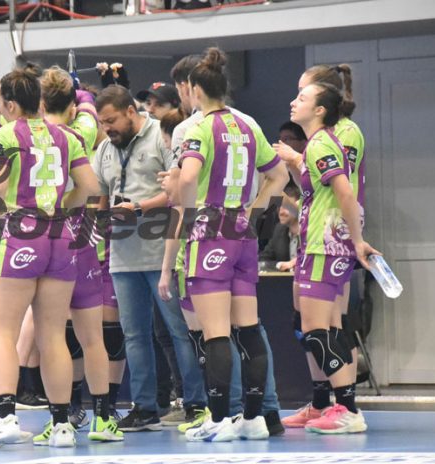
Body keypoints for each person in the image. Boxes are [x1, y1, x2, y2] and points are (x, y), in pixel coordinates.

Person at [0, 67, 99, 449]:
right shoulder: (66, 136)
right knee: (53, 335)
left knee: (2, 332)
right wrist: (61, 206)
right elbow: (90, 187)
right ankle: (61, 425)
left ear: (11, 104)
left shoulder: (2, 136)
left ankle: (5, 416)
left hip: (18, 234)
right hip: (60, 234)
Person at [160, 52, 286, 437]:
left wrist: (187, 209)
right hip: (242, 232)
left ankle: (218, 421)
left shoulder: (198, 128)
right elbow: (280, 176)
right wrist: (253, 209)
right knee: (248, 329)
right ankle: (254, 419)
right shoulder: (248, 126)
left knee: (214, 333)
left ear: (195, 90)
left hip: (210, 231)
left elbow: (188, 177)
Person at [92, 84, 207, 432]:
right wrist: (101, 218)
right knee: (134, 335)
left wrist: (140, 207)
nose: (107, 128)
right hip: (123, 256)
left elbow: (178, 189)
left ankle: (196, 403)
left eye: (112, 120)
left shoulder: (162, 136)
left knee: (179, 331)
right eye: (102, 123)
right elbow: (101, 195)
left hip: (162, 253)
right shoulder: (105, 149)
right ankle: (144, 407)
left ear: (131, 111)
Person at [274, 64, 367, 430]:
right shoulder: (318, 141)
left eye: (302, 95)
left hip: (327, 244)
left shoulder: (328, 140)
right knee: (316, 328)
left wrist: (357, 241)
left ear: (321, 107)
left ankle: (347, 408)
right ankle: (331, 405)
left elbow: (343, 190)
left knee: (321, 330)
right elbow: (314, 190)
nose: (293, 101)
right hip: (319, 242)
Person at [40, 65, 124, 441]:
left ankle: (61, 420)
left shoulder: (31, 135)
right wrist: (80, 91)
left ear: (41, 104)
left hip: (50, 240)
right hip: (86, 239)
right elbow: (88, 107)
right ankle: (103, 419)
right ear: (72, 106)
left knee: (53, 336)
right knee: (93, 337)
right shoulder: (83, 130)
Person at [258, 201, 300, 270]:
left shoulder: (313, 231)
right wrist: (279, 265)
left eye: (286, 207)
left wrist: (295, 263)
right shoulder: (279, 229)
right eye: (279, 207)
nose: (281, 212)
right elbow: (264, 259)